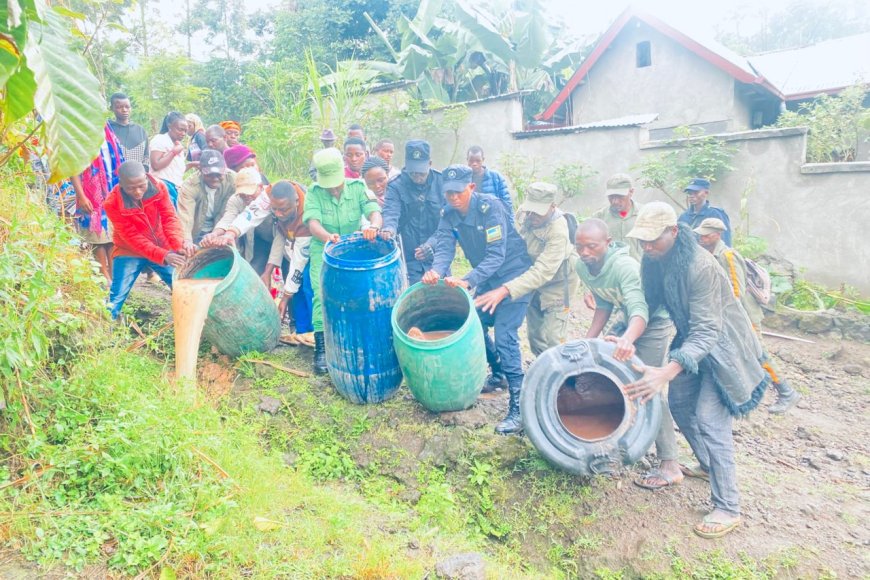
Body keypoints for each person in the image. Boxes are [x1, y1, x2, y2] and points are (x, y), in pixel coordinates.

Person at [624, 202, 769, 539]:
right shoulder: (656, 259)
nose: (646, 246)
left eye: (652, 240)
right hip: (692, 342)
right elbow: (651, 301)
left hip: (724, 349)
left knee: (709, 417)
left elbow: (708, 331)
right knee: (679, 405)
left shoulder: (700, 266)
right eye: (642, 240)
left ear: (673, 232)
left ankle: (728, 506)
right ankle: (707, 464)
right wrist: (626, 330)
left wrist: (665, 371)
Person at [574, 218, 683, 490]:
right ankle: (619, 436)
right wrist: (588, 340)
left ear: (608, 243)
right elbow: (602, 304)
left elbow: (640, 310)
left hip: (652, 322)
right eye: (580, 247)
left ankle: (670, 462)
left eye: (592, 246)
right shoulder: (583, 266)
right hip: (627, 319)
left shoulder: (624, 267)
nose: (585, 252)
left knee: (647, 386)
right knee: (609, 373)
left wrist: (626, 341)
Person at [423, 165, 532, 435]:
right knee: (472, 321)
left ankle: (518, 409)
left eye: (458, 192)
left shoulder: (490, 207)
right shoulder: (447, 214)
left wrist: (468, 280)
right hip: (488, 281)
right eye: (448, 193)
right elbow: (445, 248)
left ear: (471, 187)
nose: (453, 198)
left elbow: (497, 254)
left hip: (513, 278)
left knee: (506, 334)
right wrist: (437, 270)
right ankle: (499, 373)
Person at [694, 218, 800, 414]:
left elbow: (736, 291)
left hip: (744, 317)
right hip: (731, 317)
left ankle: (786, 391)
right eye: (700, 234)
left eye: (705, 234)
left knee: (758, 353)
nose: (701, 237)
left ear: (717, 235)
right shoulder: (711, 255)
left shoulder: (728, 256)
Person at [475, 182, 578, 362]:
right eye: (530, 210)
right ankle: (544, 367)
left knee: (554, 338)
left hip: (557, 284)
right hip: (530, 279)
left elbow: (543, 272)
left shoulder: (558, 230)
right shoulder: (525, 216)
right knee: (535, 336)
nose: (532, 215)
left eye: (538, 211)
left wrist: (505, 289)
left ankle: (563, 378)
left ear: (553, 207)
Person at [303, 148, 383, 375]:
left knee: (354, 294)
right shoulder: (314, 192)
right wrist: (327, 236)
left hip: (351, 250)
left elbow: (373, 211)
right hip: (324, 249)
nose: (333, 188)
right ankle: (321, 349)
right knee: (321, 294)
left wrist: (374, 226)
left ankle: (353, 343)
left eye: (336, 183)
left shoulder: (358, 188)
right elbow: (313, 223)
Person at [203, 180, 314, 336]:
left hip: (314, 252)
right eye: (274, 209)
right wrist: (231, 233)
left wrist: (285, 296)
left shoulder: (307, 215)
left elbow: (298, 262)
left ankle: (316, 334)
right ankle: (303, 333)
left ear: (296, 202)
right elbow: (250, 215)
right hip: (291, 246)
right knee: (298, 291)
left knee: (308, 288)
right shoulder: (269, 194)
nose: (278, 214)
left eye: (283, 210)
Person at [103, 161, 193, 319]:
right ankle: (105, 331)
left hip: (162, 246)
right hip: (129, 251)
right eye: (131, 188)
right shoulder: (112, 203)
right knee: (116, 298)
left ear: (146, 179)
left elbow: (169, 218)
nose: (137, 192)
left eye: (141, 186)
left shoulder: (159, 187)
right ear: (121, 185)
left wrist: (177, 245)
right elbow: (131, 237)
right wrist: (163, 255)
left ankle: (192, 322)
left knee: (184, 287)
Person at [379, 140, 444, 285]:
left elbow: (449, 224)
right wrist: (389, 229)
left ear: (430, 164)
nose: (417, 175)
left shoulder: (442, 184)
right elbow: (391, 212)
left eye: (421, 171)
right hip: (409, 257)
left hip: (438, 257)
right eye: (412, 171)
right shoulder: (396, 185)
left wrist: (431, 244)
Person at [70, 123, 126, 284]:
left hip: (112, 190)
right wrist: (81, 196)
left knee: (113, 236)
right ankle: (104, 276)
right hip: (91, 192)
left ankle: (114, 277)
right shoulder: (80, 132)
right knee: (97, 237)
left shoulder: (108, 131)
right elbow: (74, 168)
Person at [177, 150, 237, 244]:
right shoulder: (190, 186)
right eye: (210, 175)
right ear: (200, 170)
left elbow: (234, 210)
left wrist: (217, 234)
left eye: (219, 175)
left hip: (225, 228)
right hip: (197, 230)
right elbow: (185, 217)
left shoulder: (233, 179)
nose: (215, 179)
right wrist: (187, 241)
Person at [592, 173, 643, 261]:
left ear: (631, 192)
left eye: (620, 196)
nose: (615, 201)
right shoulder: (599, 218)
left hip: (639, 271)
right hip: (610, 272)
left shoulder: (645, 214)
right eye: (611, 197)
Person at [678, 178, 732, 246]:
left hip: (710, 255)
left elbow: (726, 241)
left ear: (706, 193)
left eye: (696, 192)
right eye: (690, 193)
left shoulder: (716, 214)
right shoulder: (683, 216)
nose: (691, 196)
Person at [465, 145, 513, 220]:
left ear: (483, 160)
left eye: (478, 161)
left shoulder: (495, 177)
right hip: (472, 225)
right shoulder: (463, 180)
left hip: (493, 221)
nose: (474, 164)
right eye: (471, 161)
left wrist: (510, 225)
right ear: (467, 160)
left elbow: (507, 204)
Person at [108, 92, 150, 171]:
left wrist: (142, 173)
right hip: (114, 179)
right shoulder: (108, 130)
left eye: (127, 107)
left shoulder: (140, 131)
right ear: (111, 108)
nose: (124, 110)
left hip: (137, 179)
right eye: (119, 107)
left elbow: (146, 156)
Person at [149, 112, 188, 193]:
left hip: (175, 188)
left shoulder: (177, 144)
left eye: (185, 131)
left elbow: (175, 170)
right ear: (169, 126)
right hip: (161, 187)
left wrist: (193, 164)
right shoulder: (160, 140)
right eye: (180, 129)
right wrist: (173, 152)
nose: (183, 134)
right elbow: (156, 165)